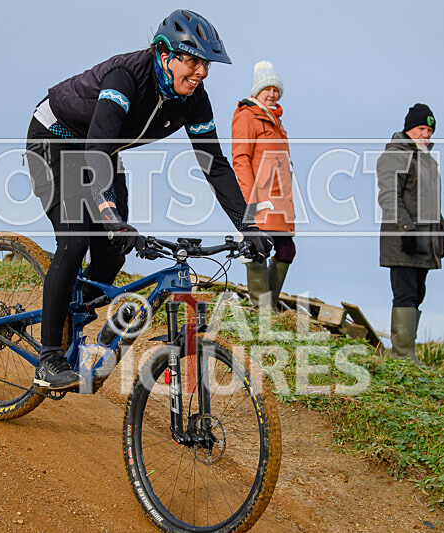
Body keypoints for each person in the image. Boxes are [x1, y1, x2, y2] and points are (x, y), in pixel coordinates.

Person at [24, 10, 273, 390]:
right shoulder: (125, 78)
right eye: (192, 61)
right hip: (56, 141)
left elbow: (214, 164)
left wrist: (248, 224)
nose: (201, 72)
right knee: (76, 239)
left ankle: (74, 312)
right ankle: (48, 358)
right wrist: (111, 217)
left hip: (102, 151)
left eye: (206, 64)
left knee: (112, 253)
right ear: (164, 53)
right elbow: (96, 153)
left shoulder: (194, 99)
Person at [377, 104, 444, 365]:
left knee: (418, 293)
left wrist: (441, 232)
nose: (426, 135)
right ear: (409, 129)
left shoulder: (427, 161)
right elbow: (389, 197)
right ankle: (402, 355)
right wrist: (405, 230)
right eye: (421, 129)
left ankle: (409, 353)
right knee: (405, 293)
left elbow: (432, 203)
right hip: (403, 240)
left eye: (430, 130)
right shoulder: (395, 155)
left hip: (425, 241)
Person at [232, 61, 295, 310]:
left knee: (287, 250)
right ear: (256, 91)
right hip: (259, 198)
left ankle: (269, 305)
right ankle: (262, 308)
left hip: (280, 200)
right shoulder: (247, 116)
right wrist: (250, 199)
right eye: (267, 89)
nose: (272, 94)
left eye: (276, 89)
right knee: (258, 249)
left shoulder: (277, 123)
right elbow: (240, 159)